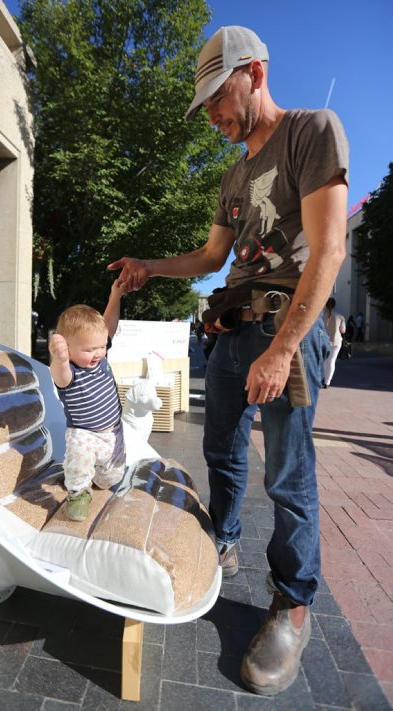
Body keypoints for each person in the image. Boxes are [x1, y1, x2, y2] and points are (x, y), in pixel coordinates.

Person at [107, 25, 348, 696]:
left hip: (286, 330)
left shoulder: (313, 132)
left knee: (289, 479)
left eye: (217, 98)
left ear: (255, 73)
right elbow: (212, 258)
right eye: (206, 105)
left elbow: (328, 250)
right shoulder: (233, 173)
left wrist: (284, 347)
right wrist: (150, 267)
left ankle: (293, 601)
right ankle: (225, 537)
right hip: (231, 326)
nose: (212, 115)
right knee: (220, 449)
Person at [49, 282, 126, 521]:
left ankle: (90, 477)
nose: (98, 353)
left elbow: (108, 325)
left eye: (101, 347)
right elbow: (59, 377)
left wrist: (116, 294)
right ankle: (78, 493)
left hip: (114, 431)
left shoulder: (101, 358)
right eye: (89, 349)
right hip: (85, 434)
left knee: (109, 479)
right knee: (78, 456)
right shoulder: (70, 371)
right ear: (68, 348)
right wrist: (59, 359)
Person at [322, 298, 346, 387]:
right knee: (332, 361)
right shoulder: (340, 316)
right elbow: (343, 331)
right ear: (335, 305)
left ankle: (323, 378)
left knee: (324, 361)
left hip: (324, 340)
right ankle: (327, 382)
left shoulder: (321, 316)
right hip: (336, 341)